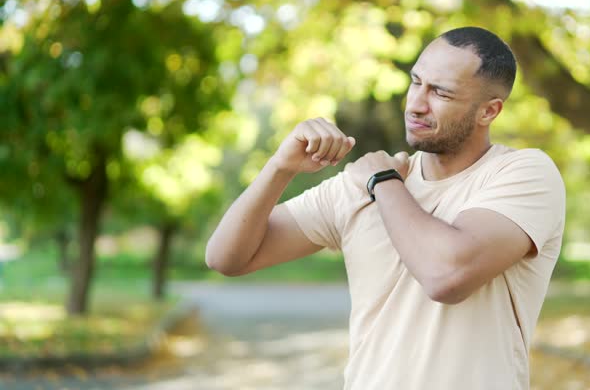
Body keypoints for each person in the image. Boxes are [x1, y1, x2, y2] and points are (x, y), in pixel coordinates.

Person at [206, 26, 566, 390]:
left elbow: (446, 275)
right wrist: (279, 167)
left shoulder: (524, 173)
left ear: (489, 111)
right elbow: (227, 258)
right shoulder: (357, 186)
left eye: (440, 92)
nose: (416, 104)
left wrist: (383, 180)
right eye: (416, 82)